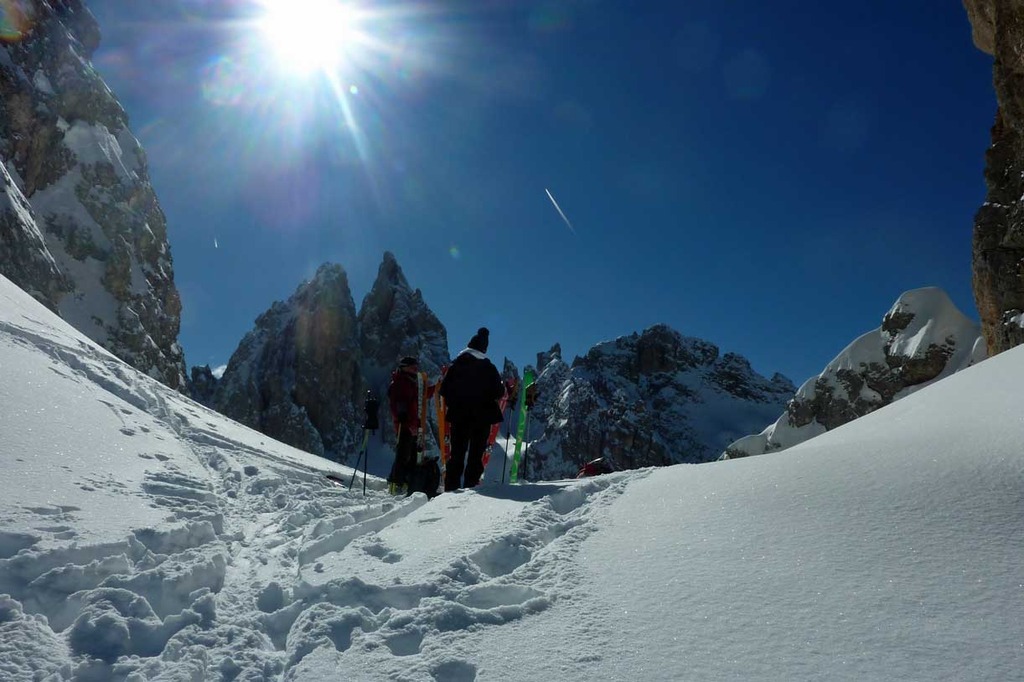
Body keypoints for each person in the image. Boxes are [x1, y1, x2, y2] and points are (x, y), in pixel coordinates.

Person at [439, 328, 504, 490]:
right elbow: (499, 392)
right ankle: (472, 487)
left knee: (457, 453)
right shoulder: (489, 368)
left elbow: (444, 390)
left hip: (458, 416)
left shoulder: (456, 366)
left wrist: (456, 402)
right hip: (482, 417)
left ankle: (451, 487)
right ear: (483, 349)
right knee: (476, 454)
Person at [387, 356, 438, 497]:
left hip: (413, 425)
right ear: (404, 367)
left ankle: (406, 482)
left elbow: (422, 395)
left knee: (412, 455)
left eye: (416, 367)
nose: (415, 369)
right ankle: (397, 484)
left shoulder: (411, 383)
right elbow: (399, 405)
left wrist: (436, 387)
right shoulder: (400, 383)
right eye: (412, 367)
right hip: (405, 426)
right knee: (403, 454)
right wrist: (408, 423)